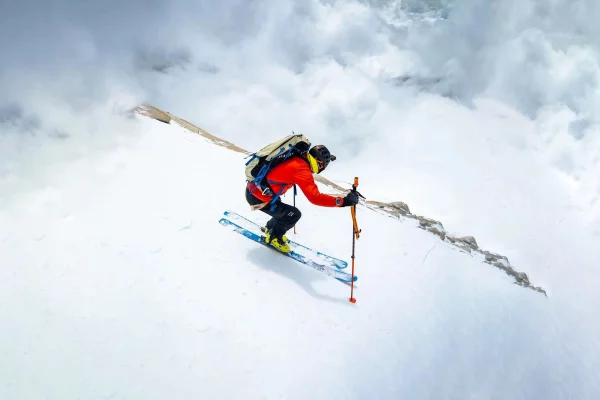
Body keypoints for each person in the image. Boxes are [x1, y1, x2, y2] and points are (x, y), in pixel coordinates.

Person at [245, 144, 359, 253]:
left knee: (283, 210)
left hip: (256, 191)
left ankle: (270, 228)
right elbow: (315, 198)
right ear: (319, 163)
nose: (319, 170)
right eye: (322, 166)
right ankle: (274, 237)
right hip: (259, 198)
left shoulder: (298, 158)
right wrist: (344, 201)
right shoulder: (302, 169)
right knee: (293, 214)